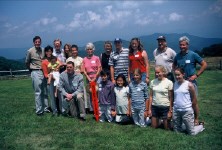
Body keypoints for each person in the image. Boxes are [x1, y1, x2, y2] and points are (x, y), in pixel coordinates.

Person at [172, 67, 204, 135]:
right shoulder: (174, 84)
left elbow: (194, 99)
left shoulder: (189, 85)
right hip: (176, 111)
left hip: (186, 111)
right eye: (176, 75)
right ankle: (185, 125)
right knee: (177, 131)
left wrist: (195, 114)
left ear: (183, 74)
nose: (177, 77)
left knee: (191, 133)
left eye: (178, 75)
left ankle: (200, 125)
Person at [25, 36, 49, 116]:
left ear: (40, 42)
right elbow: (27, 62)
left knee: (45, 91)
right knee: (38, 92)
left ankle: (46, 108)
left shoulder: (43, 50)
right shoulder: (30, 51)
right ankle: (39, 111)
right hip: (35, 71)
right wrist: (31, 70)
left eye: (39, 42)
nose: (37, 43)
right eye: (36, 42)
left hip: (44, 71)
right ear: (34, 42)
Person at [148, 65, 173, 129]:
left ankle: (166, 121)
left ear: (163, 72)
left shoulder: (169, 82)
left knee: (167, 128)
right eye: (156, 72)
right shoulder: (152, 82)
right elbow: (150, 96)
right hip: (155, 106)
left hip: (165, 107)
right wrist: (149, 109)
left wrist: (170, 110)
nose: (157, 74)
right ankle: (160, 121)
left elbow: (171, 98)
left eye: (158, 72)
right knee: (153, 127)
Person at [82, 42, 101, 111]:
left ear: (93, 49)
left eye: (91, 49)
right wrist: (88, 78)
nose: (89, 50)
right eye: (88, 49)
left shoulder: (96, 58)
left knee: (97, 93)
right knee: (90, 93)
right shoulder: (84, 59)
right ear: (86, 50)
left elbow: (99, 68)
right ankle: (93, 109)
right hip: (88, 78)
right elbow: (83, 69)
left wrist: (95, 77)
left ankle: (98, 108)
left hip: (96, 78)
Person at [42, 45, 59, 116]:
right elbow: (45, 73)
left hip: (57, 77)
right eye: (47, 51)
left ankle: (60, 109)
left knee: (59, 94)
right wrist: (50, 77)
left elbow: (60, 64)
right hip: (50, 80)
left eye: (50, 51)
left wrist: (56, 68)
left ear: (52, 52)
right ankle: (54, 111)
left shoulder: (55, 59)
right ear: (45, 52)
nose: (49, 53)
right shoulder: (44, 62)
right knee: (52, 96)